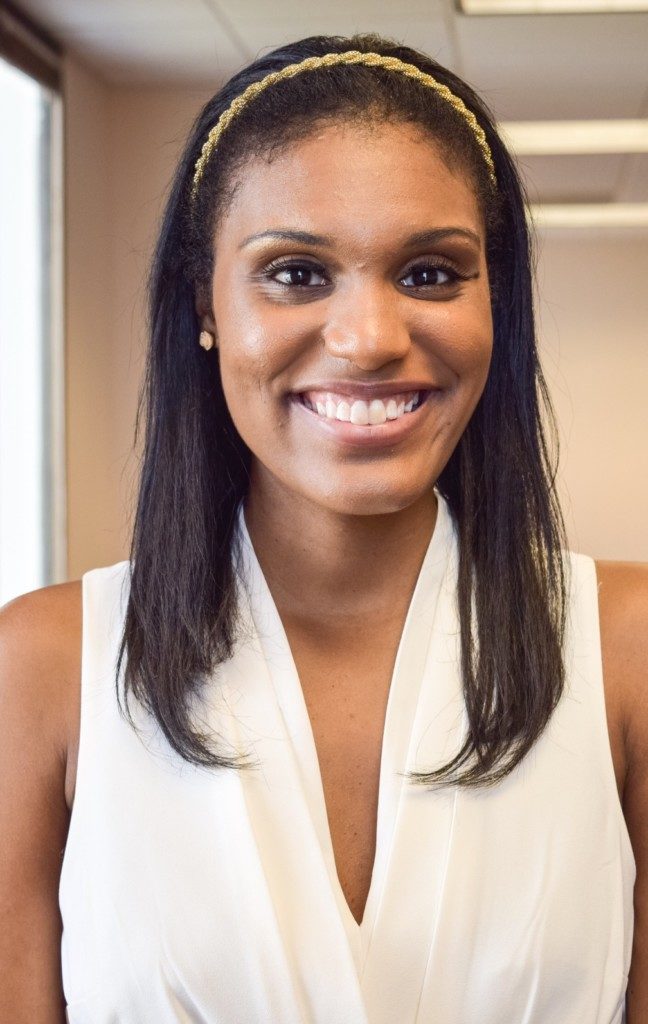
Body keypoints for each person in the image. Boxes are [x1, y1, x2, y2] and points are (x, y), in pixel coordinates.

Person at [0, 31, 645, 1024]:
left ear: (496, 302)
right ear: (204, 303)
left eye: (430, 273)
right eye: (297, 273)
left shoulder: (626, 648)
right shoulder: (43, 668)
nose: (371, 339)